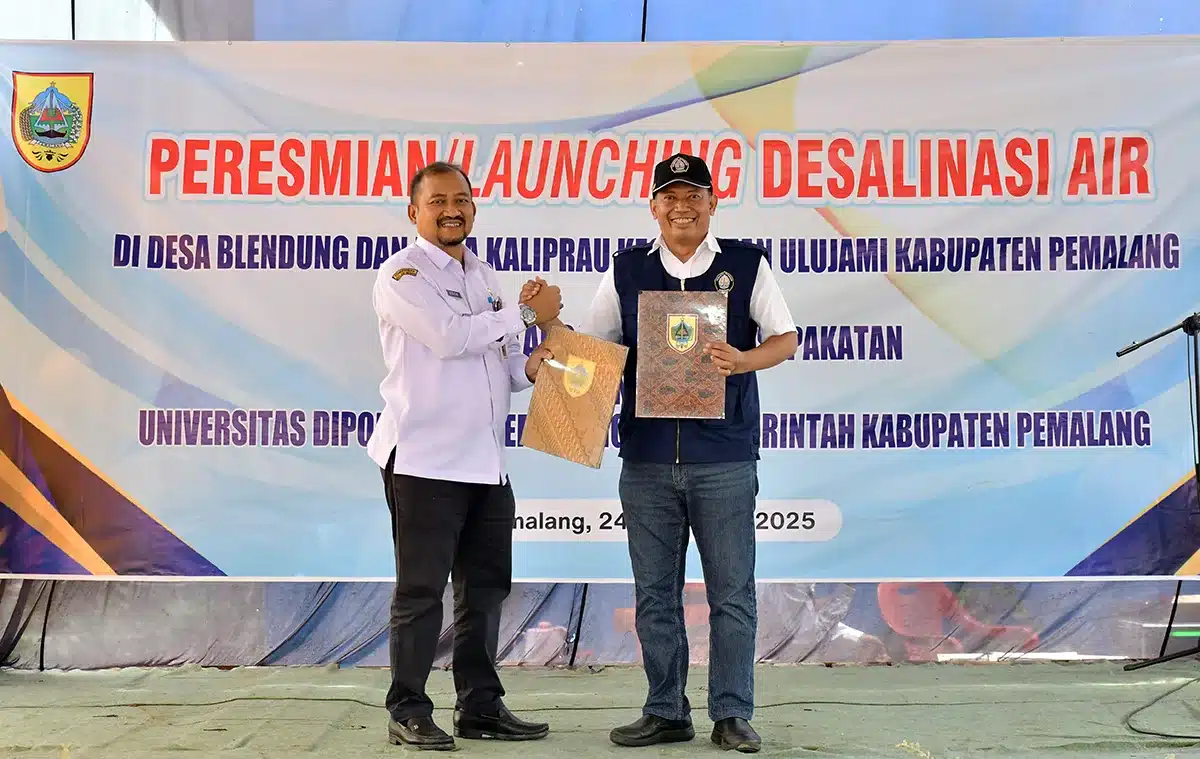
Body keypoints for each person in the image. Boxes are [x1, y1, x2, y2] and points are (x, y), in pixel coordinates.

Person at [523, 153, 798, 753]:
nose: (682, 206)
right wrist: (546, 326)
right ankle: (666, 710)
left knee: (731, 594)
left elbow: (786, 339)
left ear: (712, 202)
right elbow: (592, 354)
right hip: (646, 460)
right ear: (653, 206)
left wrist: (743, 360)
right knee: (654, 596)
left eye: (693, 195)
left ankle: (732, 713)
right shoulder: (627, 270)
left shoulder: (746, 265)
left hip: (723, 458)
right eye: (670, 196)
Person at [366, 161, 562, 750]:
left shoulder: (485, 276)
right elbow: (451, 338)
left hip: (486, 463)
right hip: (424, 461)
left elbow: (504, 366)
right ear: (414, 212)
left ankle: (479, 706)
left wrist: (541, 357)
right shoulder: (401, 274)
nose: (451, 210)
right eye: (438, 201)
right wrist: (526, 314)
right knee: (420, 592)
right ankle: (408, 708)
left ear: (474, 208)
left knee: (485, 590)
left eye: (461, 200)